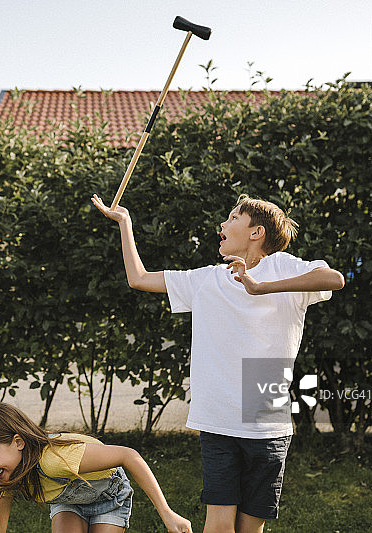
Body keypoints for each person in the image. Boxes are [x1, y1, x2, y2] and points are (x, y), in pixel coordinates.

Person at [91, 193, 345, 533]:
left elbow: (334, 279)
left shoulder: (283, 266)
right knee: (219, 526)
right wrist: (125, 223)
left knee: (250, 528)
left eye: (232, 219)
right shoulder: (206, 279)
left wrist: (261, 288)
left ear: (256, 232)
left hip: (267, 426)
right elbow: (139, 278)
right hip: (218, 422)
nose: (222, 225)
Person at [0, 402, 192, 533]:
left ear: (18, 442)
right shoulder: (8, 475)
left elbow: (128, 455)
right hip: (69, 500)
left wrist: (168, 514)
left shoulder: (55, 459)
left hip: (108, 496)